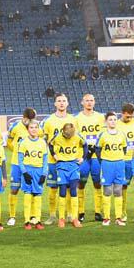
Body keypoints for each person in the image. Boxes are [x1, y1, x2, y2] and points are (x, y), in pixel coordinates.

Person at [40, 94, 74, 223]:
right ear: (55, 104)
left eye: (64, 101)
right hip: (53, 161)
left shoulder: (73, 119)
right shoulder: (49, 121)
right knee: (53, 188)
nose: (61, 103)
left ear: (67, 103)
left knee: (69, 188)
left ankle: (70, 214)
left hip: (69, 160)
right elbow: (46, 141)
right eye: (59, 101)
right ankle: (53, 215)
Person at [97, 112, 130, 226]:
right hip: (107, 164)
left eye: (115, 119)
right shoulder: (102, 135)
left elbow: (125, 148)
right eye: (110, 119)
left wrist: (118, 158)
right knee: (107, 191)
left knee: (118, 190)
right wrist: (104, 160)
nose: (113, 121)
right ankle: (106, 218)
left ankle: (118, 218)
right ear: (106, 121)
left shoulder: (121, 134)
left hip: (119, 164)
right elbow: (98, 149)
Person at [50, 122, 84, 228]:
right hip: (61, 166)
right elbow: (50, 145)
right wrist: (54, 155)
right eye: (67, 135)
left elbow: (86, 145)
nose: (69, 137)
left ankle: (75, 218)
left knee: (74, 191)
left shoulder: (78, 136)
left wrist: (83, 157)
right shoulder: (57, 136)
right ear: (63, 131)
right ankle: (61, 218)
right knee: (63, 192)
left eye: (71, 135)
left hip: (74, 166)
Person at [17, 122, 49, 230]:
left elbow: (45, 160)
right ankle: (27, 221)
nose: (34, 129)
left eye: (36, 127)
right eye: (31, 127)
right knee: (27, 194)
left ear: (38, 129)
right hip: (28, 170)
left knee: (37, 195)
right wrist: (24, 172)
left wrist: (44, 174)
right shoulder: (23, 142)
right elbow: (20, 160)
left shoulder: (42, 142)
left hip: (39, 171)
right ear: (28, 129)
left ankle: (37, 220)